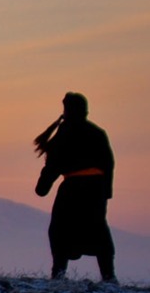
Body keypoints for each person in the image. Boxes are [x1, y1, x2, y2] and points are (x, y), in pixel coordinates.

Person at [33, 92, 116, 282]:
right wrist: (106, 193)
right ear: (85, 111)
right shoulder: (97, 133)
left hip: (72, 190)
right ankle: (109, 276)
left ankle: (59, 273)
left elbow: (52, 164)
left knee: (60, 230)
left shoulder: (64, 133)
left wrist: (42, 187)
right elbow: (109, 163)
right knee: (98, 229)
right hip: (96, 190)